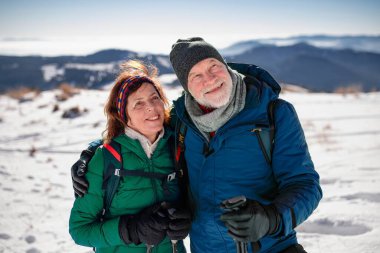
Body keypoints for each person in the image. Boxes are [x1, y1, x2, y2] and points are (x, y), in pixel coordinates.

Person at [72, 38, 322, 253]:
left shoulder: (273, 114)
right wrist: (92, 153)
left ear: (226, 66)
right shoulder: (183, 122)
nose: (210, 80)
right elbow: (135, 135)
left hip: (272, 248)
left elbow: (306, 184)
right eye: (196, 75)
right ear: (187, 87)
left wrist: (272, 219)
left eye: (214, 67)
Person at [69, 60, 190, 253]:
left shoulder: (178, 146)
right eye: (138, 104)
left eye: (154, 98)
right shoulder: (106, 158)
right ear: (123, 114)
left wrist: (186, 217)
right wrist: (131, 230)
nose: (150, 107)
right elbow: (80, 231)